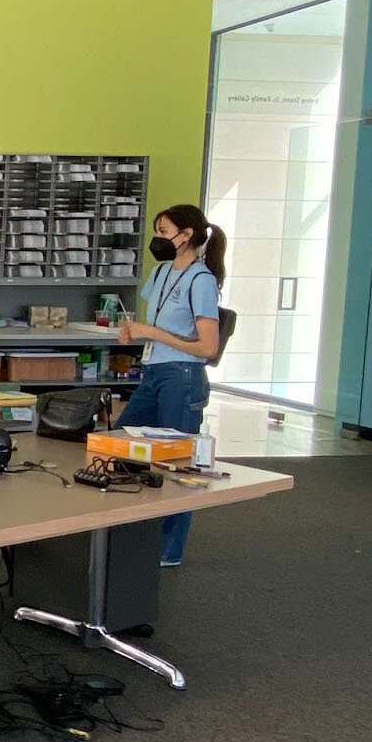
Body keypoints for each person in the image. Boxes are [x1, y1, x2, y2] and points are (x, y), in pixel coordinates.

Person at [116, 203, 228, 567]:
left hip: (182, 376)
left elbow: (207, 346)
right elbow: (157, 325)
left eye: (164, 232)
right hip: (153, 372)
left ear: (187, 236)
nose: (158, 240)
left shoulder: (202, 280)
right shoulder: (162, 272)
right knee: (122, 442)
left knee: (177, 463)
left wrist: (154, 332)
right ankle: (130, 530)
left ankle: (169, 548)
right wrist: (136, 331)